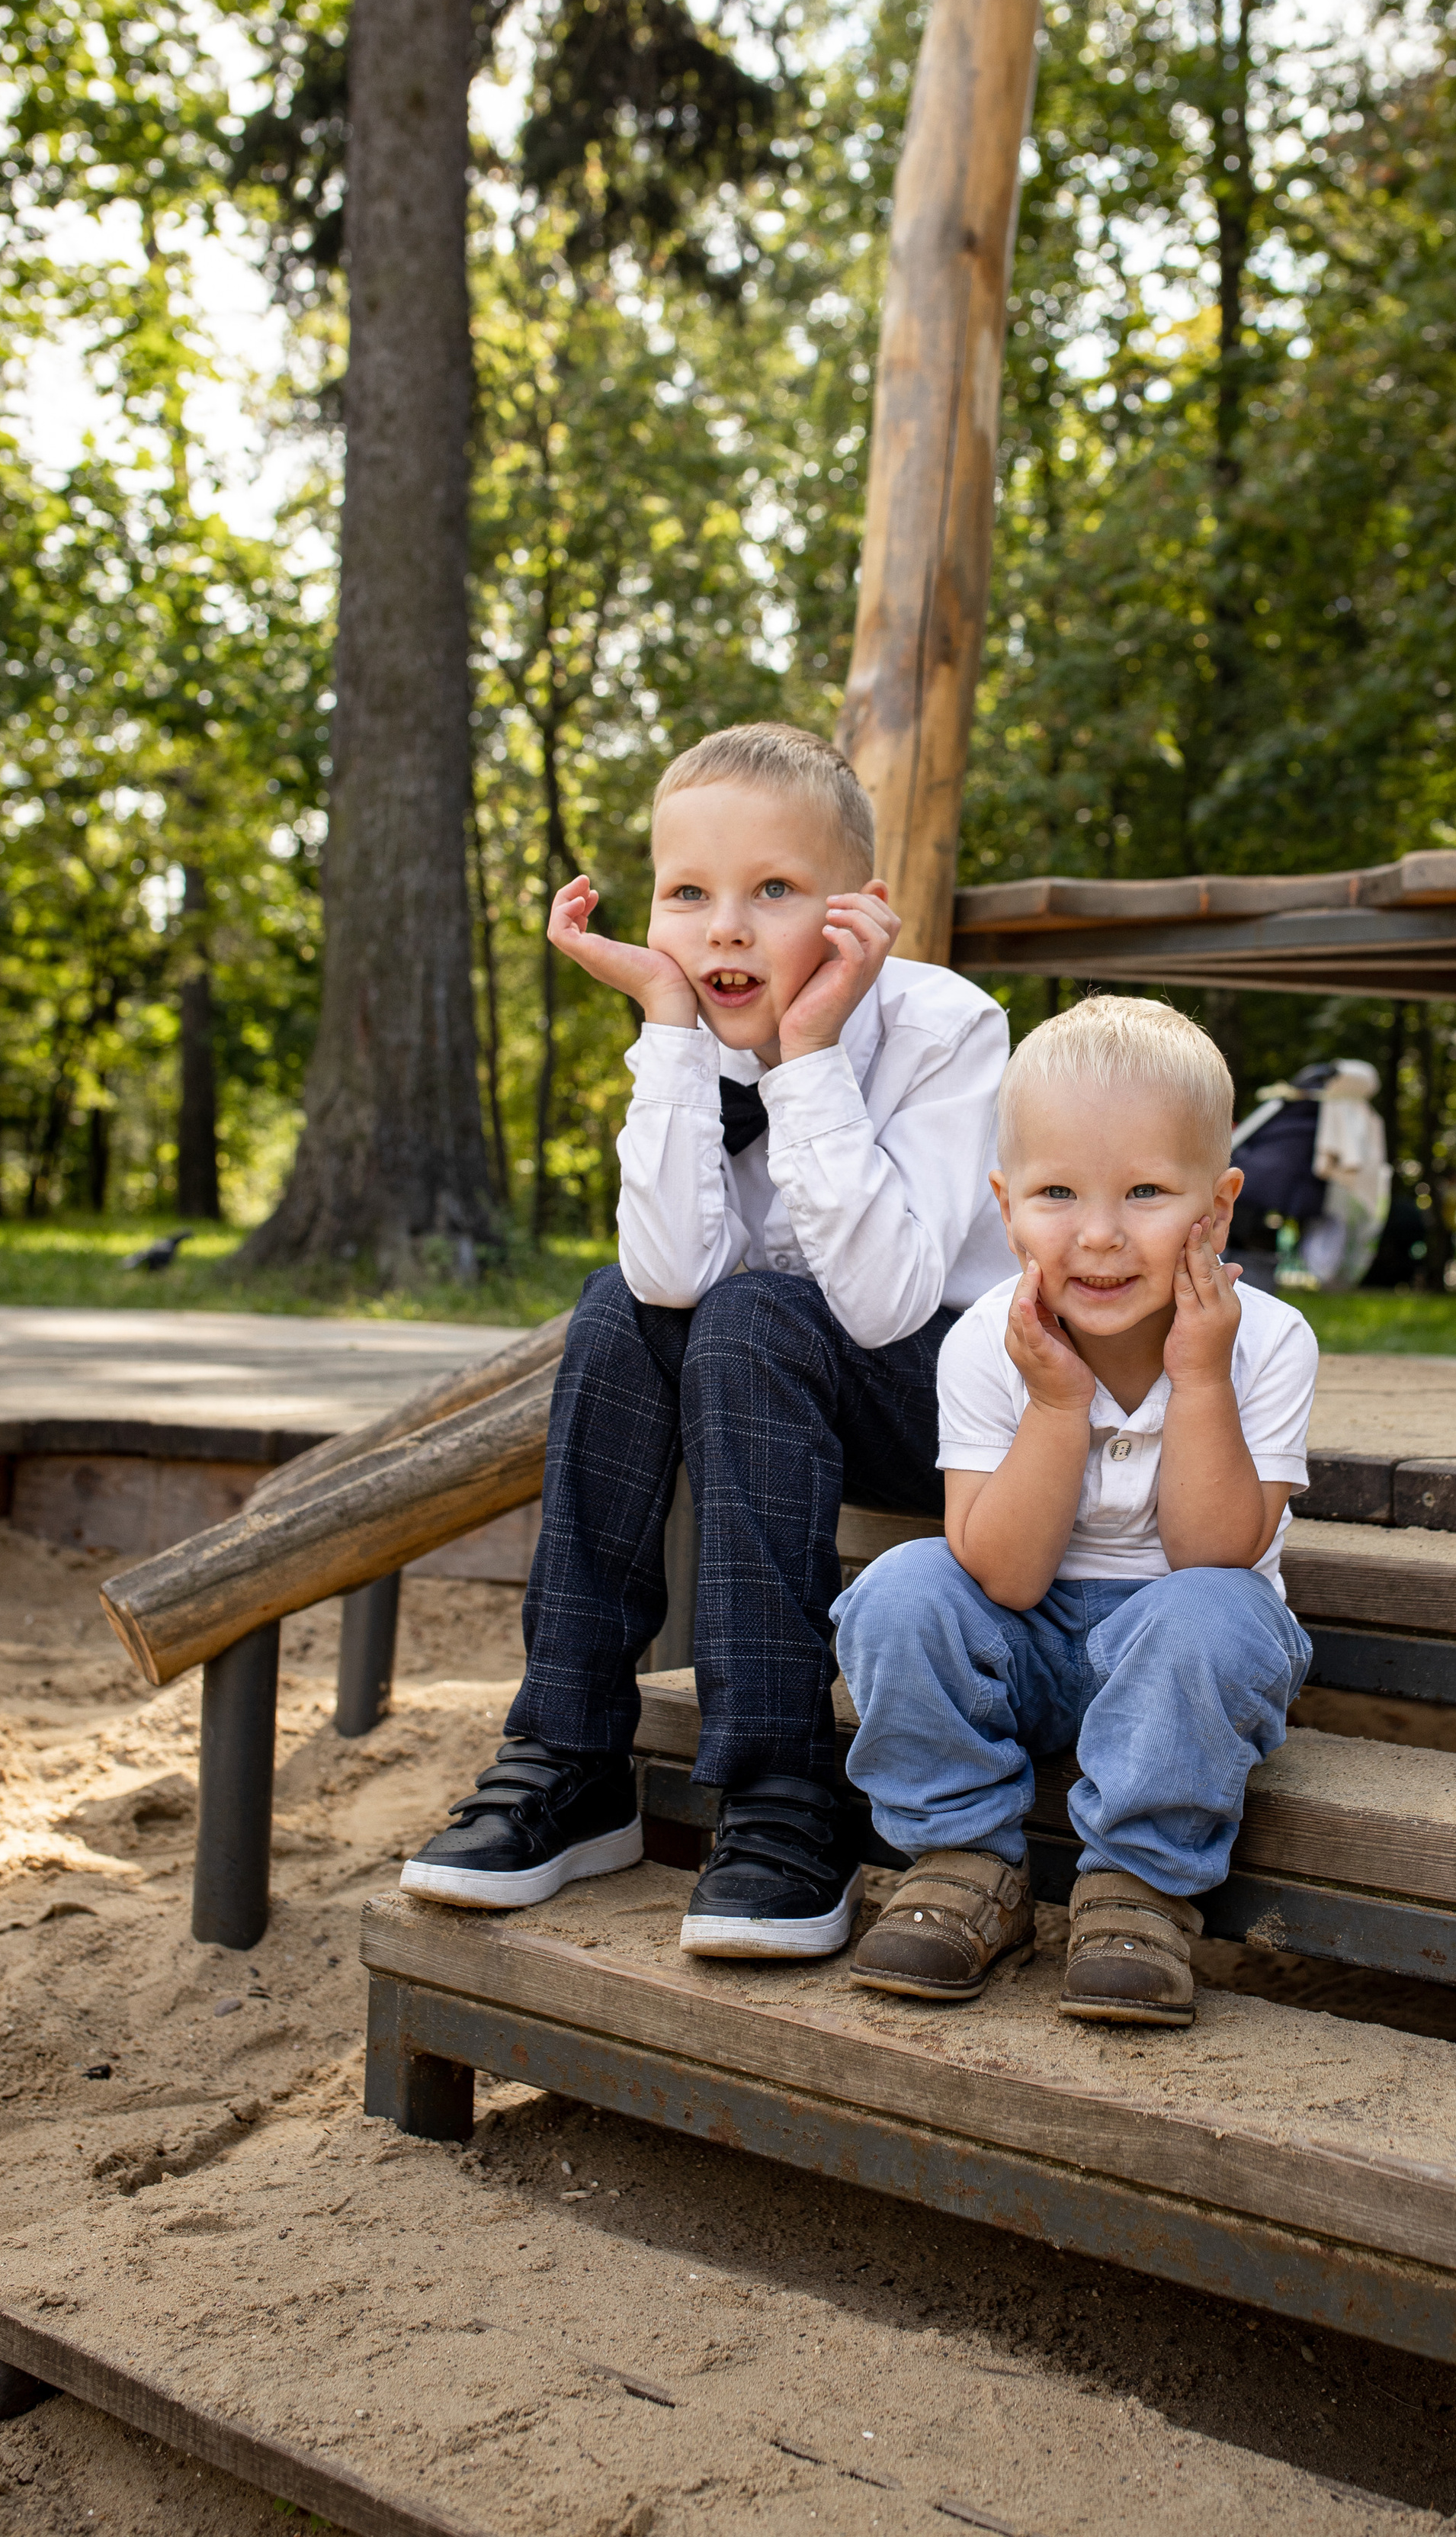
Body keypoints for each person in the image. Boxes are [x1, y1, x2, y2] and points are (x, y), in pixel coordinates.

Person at [399, 722, 1009, 1955]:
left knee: (751, 1310)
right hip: (761, 1377)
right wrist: (673, 1033)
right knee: (620, 1304)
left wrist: (808, 1054)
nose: (725, 928)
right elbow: (666, 1270)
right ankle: (570, 1754)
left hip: (954, 1414)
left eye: (773, 891)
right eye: (689, 895)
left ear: (857, 914)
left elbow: (891, 1302)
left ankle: (784, 1790)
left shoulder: (947, 1027)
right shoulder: (679, 1035)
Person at [832, 997, 1317, 2028]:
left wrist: (1200, 1381)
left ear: (1218, 1209)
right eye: (1058, 1193)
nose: (1098, 1235)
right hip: (1031, 1635)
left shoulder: (1266, 1343)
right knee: (900, 1591)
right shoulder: (981, 1345)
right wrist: (1056, 1403)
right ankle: (967, 1859)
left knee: (1220, 1614)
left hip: (1182, 1650)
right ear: (1006, 1207)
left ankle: (1139, 1887)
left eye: (1145, 1191)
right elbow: (999, 1577)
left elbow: (1215, 1553)